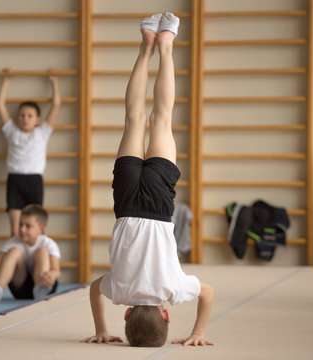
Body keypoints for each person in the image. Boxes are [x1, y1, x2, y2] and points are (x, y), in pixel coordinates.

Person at [81, 13, 214, 347]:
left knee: (161, 117)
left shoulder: (173, 289)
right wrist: (100, 328)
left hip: (158, 204)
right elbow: (94, 289)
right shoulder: (120, 291)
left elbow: (207, 293)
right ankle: (145, 46)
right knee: (133, 119)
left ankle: (166, 45)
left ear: (166, 314)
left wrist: (198, 333)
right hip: (126, 203)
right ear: (126, 315)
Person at [0, 68, 61, 237]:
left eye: (30, 115)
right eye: (22, 115)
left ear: (37, 120)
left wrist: (53, 81)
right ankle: (18, 262)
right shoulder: (11, 132)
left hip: (34, 180)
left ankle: (36, 260)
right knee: (16, 230)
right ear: (17, 118)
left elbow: (56, 105)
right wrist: (6, 81)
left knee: (35, 229)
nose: (25, 118)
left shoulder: (42, 132)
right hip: (15, 180)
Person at [0, 204, 61, 304]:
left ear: (41, 229)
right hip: (22, 289)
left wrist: (51, 276)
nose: (22, 229)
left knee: (42, 251)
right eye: (21, 224)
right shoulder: (13, 242)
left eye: (28, 226)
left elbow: (56, 270)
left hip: (45, 286)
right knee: (14, 251)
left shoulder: (48, 243)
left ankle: (40, 290)